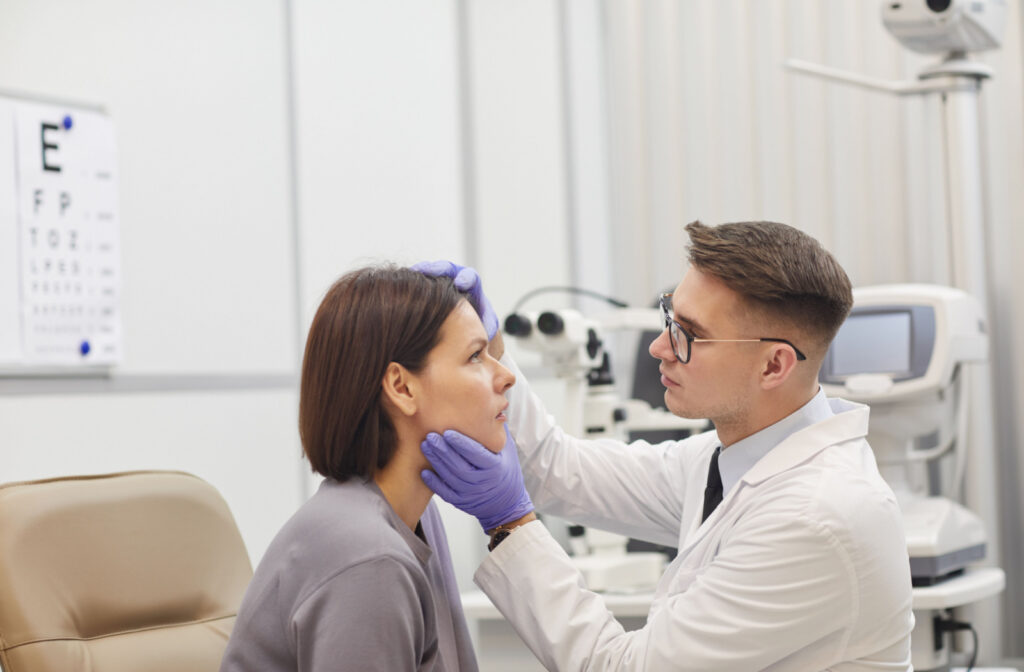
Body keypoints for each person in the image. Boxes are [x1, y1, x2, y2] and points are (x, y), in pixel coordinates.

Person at [417, 221, 915, 671]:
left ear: (773, 366)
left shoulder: (816, 517)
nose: (659, 347)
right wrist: (493, 347)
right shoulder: (728, 459)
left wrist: (510, 525)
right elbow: (556, 469)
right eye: (669, 319)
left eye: (689, 334)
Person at [220, 265, 521, 672]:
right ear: (401, 387)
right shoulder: (371, 557)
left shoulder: (414, 517)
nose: (506, 376)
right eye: (474, 356)